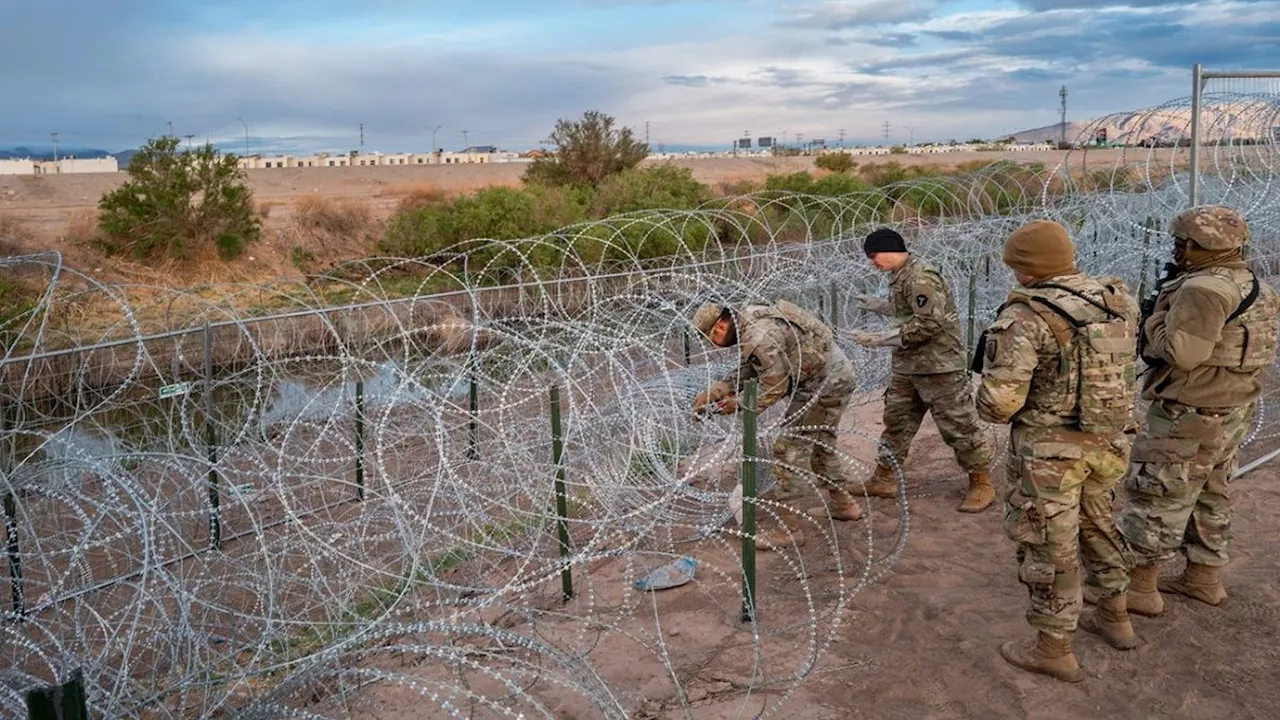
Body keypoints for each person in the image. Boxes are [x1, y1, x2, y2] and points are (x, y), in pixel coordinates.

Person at [975, 219, 1141, 682]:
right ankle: (1116, 616)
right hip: (1108, 440)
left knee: (1051, 546)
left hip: (1051, 454)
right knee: (1100, 525)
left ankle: (1053, 646)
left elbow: (998, 404)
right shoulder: (1115, 299)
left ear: (1026, 270)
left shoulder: (1026, 318)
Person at [1116, 205, 1279, 616]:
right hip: (1231, 406)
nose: (1176, 249)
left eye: (1181, 242)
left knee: (1157, 493)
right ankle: (1203, 578)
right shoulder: (1251, 282)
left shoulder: (1203, 288)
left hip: (1189, 411)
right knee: (1211, 492)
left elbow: (1182, 353)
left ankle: (1140, 589)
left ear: (1199, 245)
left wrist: (1152, 320)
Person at [691, 299, 860, 550]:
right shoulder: (748, 318)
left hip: (824, 385)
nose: (713, 344)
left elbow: (775, 386)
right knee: (819, 443)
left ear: (719, 326)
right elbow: (755, 365)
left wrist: (737, 404)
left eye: (711, 337)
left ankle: (789, 531)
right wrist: (720, 389)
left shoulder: (758, 335)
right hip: (830, 376)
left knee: (786, 450)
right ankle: (843, 505)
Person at [849, 227, 995, 512]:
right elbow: (909, 310)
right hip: (909, 366)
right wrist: (879, 305)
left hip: (938, 366)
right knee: (897, 423)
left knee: (958, 425)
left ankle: (981, 482)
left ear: (891, 250)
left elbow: (930, 323)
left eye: (874, 255)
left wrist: (882, 339)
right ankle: (884, 479)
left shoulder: (920, 277)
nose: (872, 261)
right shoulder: (901, 276)